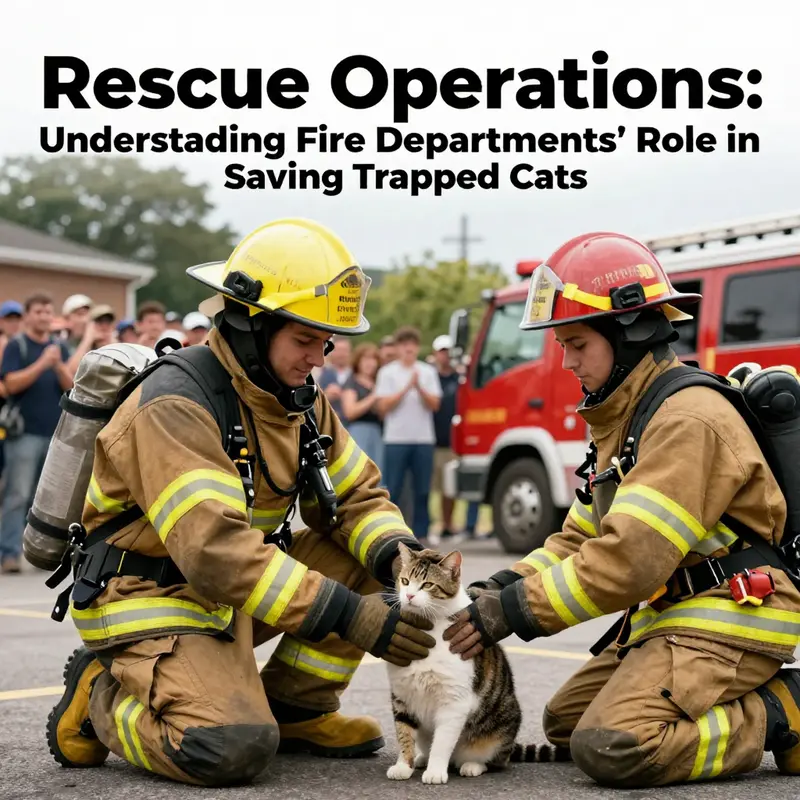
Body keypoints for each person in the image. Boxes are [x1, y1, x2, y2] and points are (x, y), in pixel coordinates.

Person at [45, 218, 434, 786]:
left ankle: (296, 709)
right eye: (304, 340)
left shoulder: (296, 399)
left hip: (229, 592)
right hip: (150, 595)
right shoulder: (175, 404)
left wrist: (407, 563)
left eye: (325, 342)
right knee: (226, 746)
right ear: (250, 323)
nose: (319, 358)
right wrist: (351, 617)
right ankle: (103, 697)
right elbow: (215, 550)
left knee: (368, 561)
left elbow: (355, 497)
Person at [444, 232, 800, 788]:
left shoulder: (686, 421)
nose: (566, 362)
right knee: (567, 723)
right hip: (678, 611)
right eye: (562, 344)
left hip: (735, 610)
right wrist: (498, 587)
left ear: (630, 330)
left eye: (577, 344)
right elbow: (578, 540)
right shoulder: (627, 418)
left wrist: (511, 612)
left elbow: (629, 560)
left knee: (614, 742)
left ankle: (782, 711)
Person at [0, 292, 72, 574]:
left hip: (55, 436)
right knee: (17, 496)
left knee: (46, 500)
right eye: (38, 311)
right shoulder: (16, 345)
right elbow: (10, 384)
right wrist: (42, 363)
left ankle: (42, 554)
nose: (43, 316)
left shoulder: (59, 347)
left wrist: (57, 364)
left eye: (48, 312)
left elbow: (71, 387)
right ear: (28, 316)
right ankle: (9, 553)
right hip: (23, 434)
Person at [375, 326, 442, 544]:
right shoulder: (387, 373)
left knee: (422, 489)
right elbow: (383, 406)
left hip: (423, 439)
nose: (408, 349)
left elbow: (435, 404)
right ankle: (392, 531)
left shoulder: (427, 372)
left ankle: (422, 532)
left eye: (412, 345)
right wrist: (406, 388)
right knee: (393, 487)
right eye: (404, 345)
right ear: (397, 348)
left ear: (417, 347)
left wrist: (419, 387)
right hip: (396, 439)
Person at [429, 334, 480, 543]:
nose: (446, 355)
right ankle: (441, 524)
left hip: (457, 441)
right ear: (435, 354)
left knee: (453, 487)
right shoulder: (430, 377)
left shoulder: (460, 379)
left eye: (448, 351)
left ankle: (456, 525)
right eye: (442, 352)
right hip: (435, 440)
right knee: (437, 488)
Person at [341, 342, 384, 475]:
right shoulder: (351, 382)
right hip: (358, 431)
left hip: (378, 432)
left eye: (373, 359)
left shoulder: (379, 382)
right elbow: (350, 412)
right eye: (365, 359)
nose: (369, 363)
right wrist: (373, 397)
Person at [317, 335, 352, 425]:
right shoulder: (320, 372)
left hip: (352, 424)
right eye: (338, 350)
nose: (341, 354)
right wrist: (326, 395)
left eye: (344, 350)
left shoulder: (356, 374)